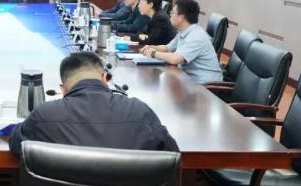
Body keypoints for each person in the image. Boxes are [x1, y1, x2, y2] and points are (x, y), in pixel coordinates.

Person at [9, 52, 178, 156]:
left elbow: (16, 142)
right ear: (105, 79)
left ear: (63, 89)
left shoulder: (45, 115)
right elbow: (171, 155)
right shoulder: (139, 111)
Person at [140, 0, 223, 83]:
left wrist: (153, 53)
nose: (170, 15)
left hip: (206, 85)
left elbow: (175, 59)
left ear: (181, 17)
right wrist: (151, 47)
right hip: (190, 79)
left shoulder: (196, 36)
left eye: (172, 12)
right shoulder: (184, 31)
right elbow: (167, 48)